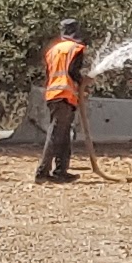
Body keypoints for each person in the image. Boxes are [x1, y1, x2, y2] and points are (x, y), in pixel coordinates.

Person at [34, 20, 90, 183]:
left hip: (53, 95)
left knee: (63, 135)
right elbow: (72, 72)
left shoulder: (53, 50)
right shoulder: (76, 49)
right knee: (56, 134)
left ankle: (61, 171)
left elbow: (50, 74)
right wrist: (83, 82)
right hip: (64, 94)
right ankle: (42, 172)